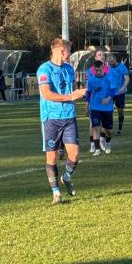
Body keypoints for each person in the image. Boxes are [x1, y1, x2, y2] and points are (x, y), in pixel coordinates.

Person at [37, 38, 88, 205]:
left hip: (69, 116)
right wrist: (71, 96)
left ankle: (66, 177)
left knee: (74, 155)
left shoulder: (68, 69)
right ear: (60, 51)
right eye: (68, 51)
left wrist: (79, 94)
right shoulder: (44, 69)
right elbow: (47, 94)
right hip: (51, 119)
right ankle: (56, 193)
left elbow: (70, 90)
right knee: (51, 157)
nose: (70, 54)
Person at [87, 60, 117, 155]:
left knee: (109, 130)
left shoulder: (109, 78)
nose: (98, 72)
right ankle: (97, 149)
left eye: (99, 70)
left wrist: (108, 98)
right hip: (95, 107)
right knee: (96, 127)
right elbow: (88, 92)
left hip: (107, 108)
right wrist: (87, 104)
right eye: (96, 70)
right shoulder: (91, 80)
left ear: (103, 68)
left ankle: (107, 143)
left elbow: (113, 90)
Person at [106, 54, 130, 135]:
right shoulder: (106, 68)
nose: (110, 62)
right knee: (109, 111)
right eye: (109, 61)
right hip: (110, 93)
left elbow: (127, 79)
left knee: (120, 111)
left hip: (119, 93)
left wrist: (123, 88)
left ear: (115, 60)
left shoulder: (122, 67)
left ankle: (119, 130)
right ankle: (110, 128)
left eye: (111, 61)